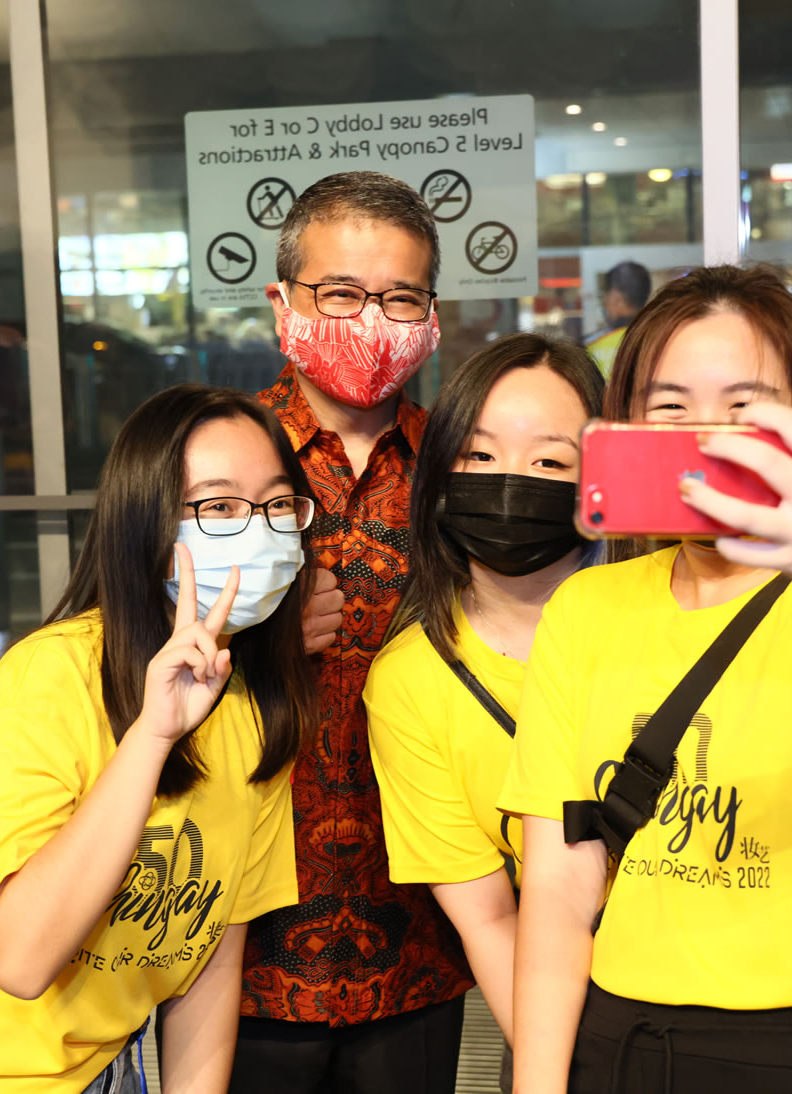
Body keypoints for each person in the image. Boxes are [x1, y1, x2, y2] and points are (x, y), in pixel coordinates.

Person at [500, 264, 792, 1094]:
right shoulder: (585, 609)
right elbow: (559, 884)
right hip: (628, 1045)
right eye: (669, 405)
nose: (704, 433)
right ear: (626, 426)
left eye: (744, 406)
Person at [0, 385, 318, 1094]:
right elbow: (22, 960)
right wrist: (152, 738)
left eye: (279, 504)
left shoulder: (253, 709)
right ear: (145, 526)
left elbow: (211, 960)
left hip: (103, 1069)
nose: (261, 528)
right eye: (217, 506)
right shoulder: (50, 678)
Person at [237, 171, 472, 1094]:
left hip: (423, 930)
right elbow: (120, 657)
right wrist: (253, 634)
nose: (369, 319)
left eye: (399, 297)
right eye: (339, 292)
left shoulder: (467, 468)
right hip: (238, 939)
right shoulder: (216, 458)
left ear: (430, 314)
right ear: (281, 302)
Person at [363, 333, 605, 1047]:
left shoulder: (662, 623)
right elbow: (490, 919)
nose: (510, 479)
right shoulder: (411, 681)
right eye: (479, 455)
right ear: (439, 474)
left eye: (550, 460)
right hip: (561, 1023)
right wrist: (558, 1065)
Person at [583, 260, 652, 376]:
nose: (605, 303)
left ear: (616, 298)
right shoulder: (658, 340)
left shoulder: (593, 346)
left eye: (606, 296)